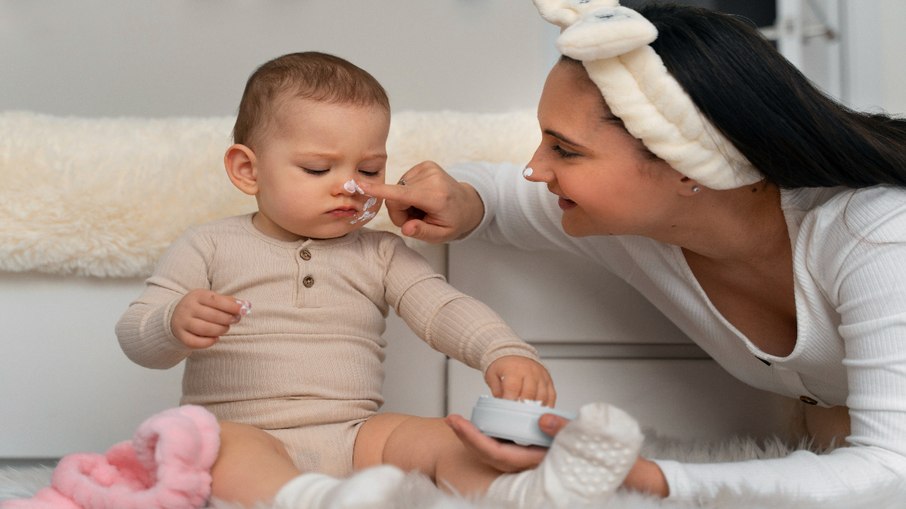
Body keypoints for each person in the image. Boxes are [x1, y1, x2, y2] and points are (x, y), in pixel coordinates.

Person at [360, 0, 906, 504]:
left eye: (564, 150)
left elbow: (892, 468)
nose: (535, 168)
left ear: (688, 163)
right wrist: (462, 199)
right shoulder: (637, 223)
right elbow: (501, 193)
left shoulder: (875, 232)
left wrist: (647, 476)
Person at [115, 50, 645, 509]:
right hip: (249, 433)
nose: (350, 186)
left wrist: (504, 351)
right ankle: (307, 499)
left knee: (442, 437)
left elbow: (441, 309)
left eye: (369, 170)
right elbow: (137, 337)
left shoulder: (379, 252)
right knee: (214, 448)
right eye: (319, 170)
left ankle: (518, 495)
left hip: (355, 437)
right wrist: (173, 322)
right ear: (248, 170)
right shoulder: (208, 245)